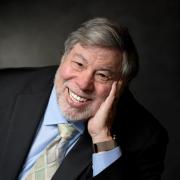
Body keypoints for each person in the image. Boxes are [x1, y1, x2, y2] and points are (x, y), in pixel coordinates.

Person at [0, 17, 168, 180]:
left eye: (102, 75)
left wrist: (102, 138)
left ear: (121, 86)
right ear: (63, 58)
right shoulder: (5, 88)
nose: (83, 84)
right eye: (79, 64)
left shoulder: (146, 139)